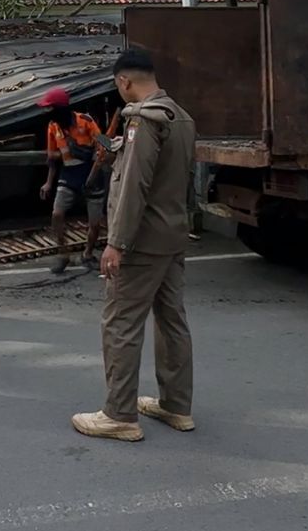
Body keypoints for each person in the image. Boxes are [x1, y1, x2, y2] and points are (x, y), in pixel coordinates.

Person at [72, 47, 196, 443]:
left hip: (142, 241)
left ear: (124, 81)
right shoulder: (181, 117)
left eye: (118, 85)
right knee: (171, 320)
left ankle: (119, 414)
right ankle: (176, 405)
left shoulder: (142, 120)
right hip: (172, 235)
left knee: (121, 324)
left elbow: (133, 186)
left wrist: (117, 243)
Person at [38, 87, 106, 272]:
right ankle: (63, 253)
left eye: (50, 108)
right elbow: (52, 157)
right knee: (57, 214)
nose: (47, 112)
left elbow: (102, 146)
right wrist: (49, 182)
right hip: (69, 173)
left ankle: (88, 253)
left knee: (94, 223)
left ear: (60, 108)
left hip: (92, 172)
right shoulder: (53, 127)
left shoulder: (86, 121)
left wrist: (93, 173)